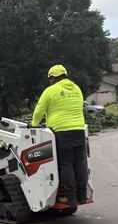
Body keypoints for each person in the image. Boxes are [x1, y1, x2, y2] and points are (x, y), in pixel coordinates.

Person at [31, 64, 89, 206]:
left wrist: (33, 124)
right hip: (79, 130)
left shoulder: (50, 90)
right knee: (79, 164)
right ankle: (82, 196)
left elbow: (39, 110)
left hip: (62, 132)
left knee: (66, 164)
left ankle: (70, 198)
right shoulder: (77, 89)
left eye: (50, 79)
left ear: (53, 78)